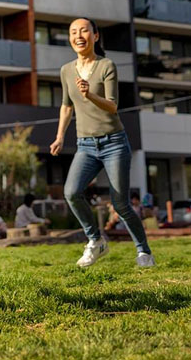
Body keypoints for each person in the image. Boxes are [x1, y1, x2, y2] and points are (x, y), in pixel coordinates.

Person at [50, 17, 155, 269]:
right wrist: (60, 136)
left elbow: (112, 106)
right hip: (85, 145)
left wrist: (89, 94)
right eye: (73, 31)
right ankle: (96, 240)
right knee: (71, 192)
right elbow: (66, 106)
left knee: (120, 203)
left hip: (114, 143)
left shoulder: (106, 65)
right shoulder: (66, 70)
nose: (78, 35)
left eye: (84, 30)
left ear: (95, 36)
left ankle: (143, 251)